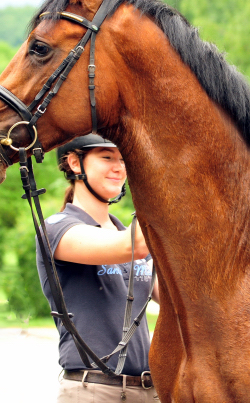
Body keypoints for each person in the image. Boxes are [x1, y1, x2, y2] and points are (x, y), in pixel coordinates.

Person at [36, 134, 160, 402]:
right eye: (107, 157)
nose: (119, 167)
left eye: (124, 159)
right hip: (93, 390)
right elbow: (133, 246)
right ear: (75, 163)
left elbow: (177, 294)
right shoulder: (57, 228)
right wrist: (163, 179)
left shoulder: (124, 231)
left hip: (148, 391)